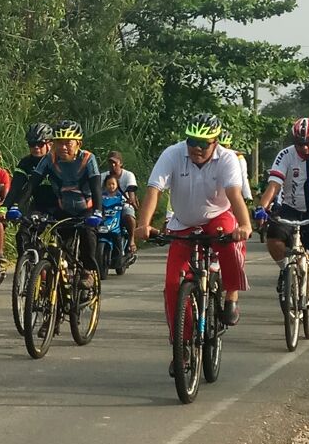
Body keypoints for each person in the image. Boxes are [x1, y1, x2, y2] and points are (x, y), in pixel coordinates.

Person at [135, 113, 252, 369]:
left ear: (215, 142)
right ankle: (183, 345)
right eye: (192, 142)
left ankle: (231, 295)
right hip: (183, 222)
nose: (196, 148)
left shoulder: (227, 159)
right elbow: (154, 190)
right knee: (172, 284)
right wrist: (143, 224)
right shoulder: (173, 154)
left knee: (231, 246)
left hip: (217, 216)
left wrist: (244, 225)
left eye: (203, 143)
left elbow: (234, 194)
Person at [254, 117, 309, 324]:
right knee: (273, 239)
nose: (304, 148)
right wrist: (262, 208)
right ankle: (287, 270)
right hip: (291, 208)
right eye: (299, 144)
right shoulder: (286, 154)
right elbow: (274, 185)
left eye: (308, 143)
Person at [12, 120, 103, 283]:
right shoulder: (49, 159)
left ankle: (88, 271)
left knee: (88, 236)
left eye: (68, 143)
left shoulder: (88, 159)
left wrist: (97, 212)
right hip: (63, 209)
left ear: (78, 143)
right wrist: (16, 206)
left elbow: (96, 188)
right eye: (59, 143)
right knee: (56, 247)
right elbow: (32, 184)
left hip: (86, 210)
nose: (63, 147)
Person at [4, 124, 58, 251]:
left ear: (50, 144)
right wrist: (4, 208)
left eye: (40, 144)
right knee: (23, 236)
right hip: (39, 206)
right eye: (32, 144)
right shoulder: (25, 163)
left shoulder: (59, 161)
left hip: (60, 206)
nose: (36, 147)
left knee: (56, 246)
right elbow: (15, 188)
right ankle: (31, 260)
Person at [100, 151, 139, 253]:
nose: (112, 165)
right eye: (110, 162)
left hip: (122, 204)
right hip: (106, 205)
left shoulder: (128, 175)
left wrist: (131, 199)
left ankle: (131, 240)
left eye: (115, 162)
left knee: (128, 215)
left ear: (120, 163)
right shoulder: (103, 176)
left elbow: (131, 191)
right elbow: (97, 192)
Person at [220, 131, 252, 200]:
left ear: (229, 145)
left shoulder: (238, 156)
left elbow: (243, 178)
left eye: (225, 146)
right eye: (221, 146)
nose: (223, 149)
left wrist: (248, 198)